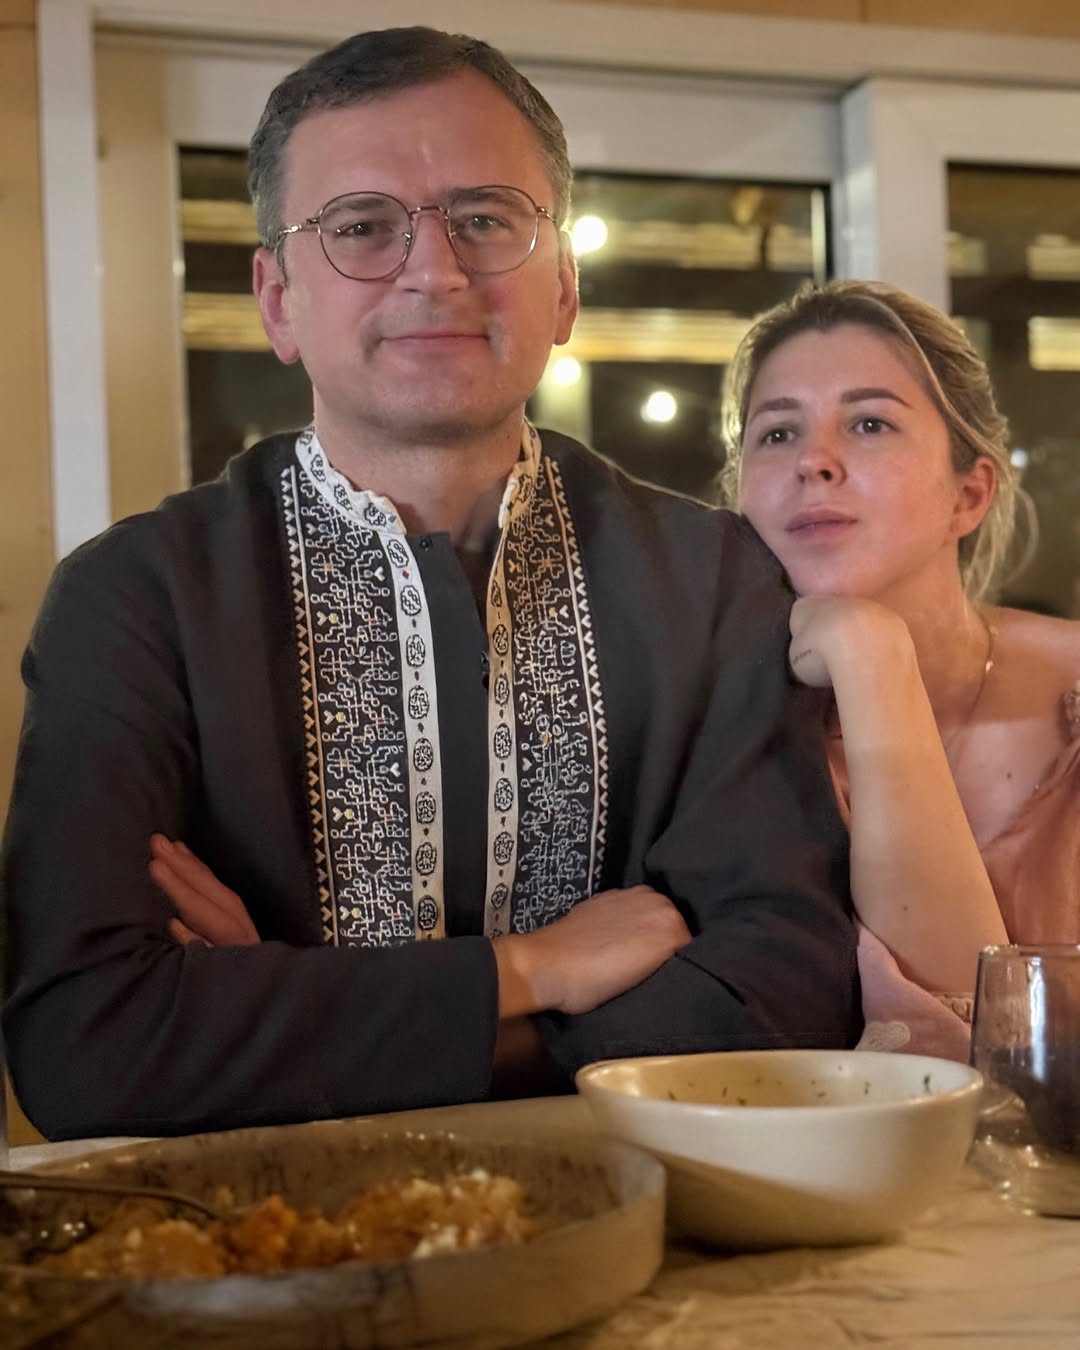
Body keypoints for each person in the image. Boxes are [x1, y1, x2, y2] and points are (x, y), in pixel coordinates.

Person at [2, 27, 857, 1142]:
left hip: (668, 1227)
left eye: (486, 220)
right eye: (362, 227)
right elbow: (90, 1046)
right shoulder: (136, 599)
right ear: (277, 300)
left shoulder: (714, 578)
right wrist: (533, 970)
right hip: (262, 1237)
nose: (436, 271)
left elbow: (785, 997)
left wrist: (296, 1013)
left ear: (563, 290)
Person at [723, 278, 1080, 1059]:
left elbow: (999, 1063)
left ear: (969, 495)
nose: (814, 461)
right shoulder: (710, 737)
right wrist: (866, 653)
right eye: (777, 433)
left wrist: (873, 654)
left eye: (869, 423)